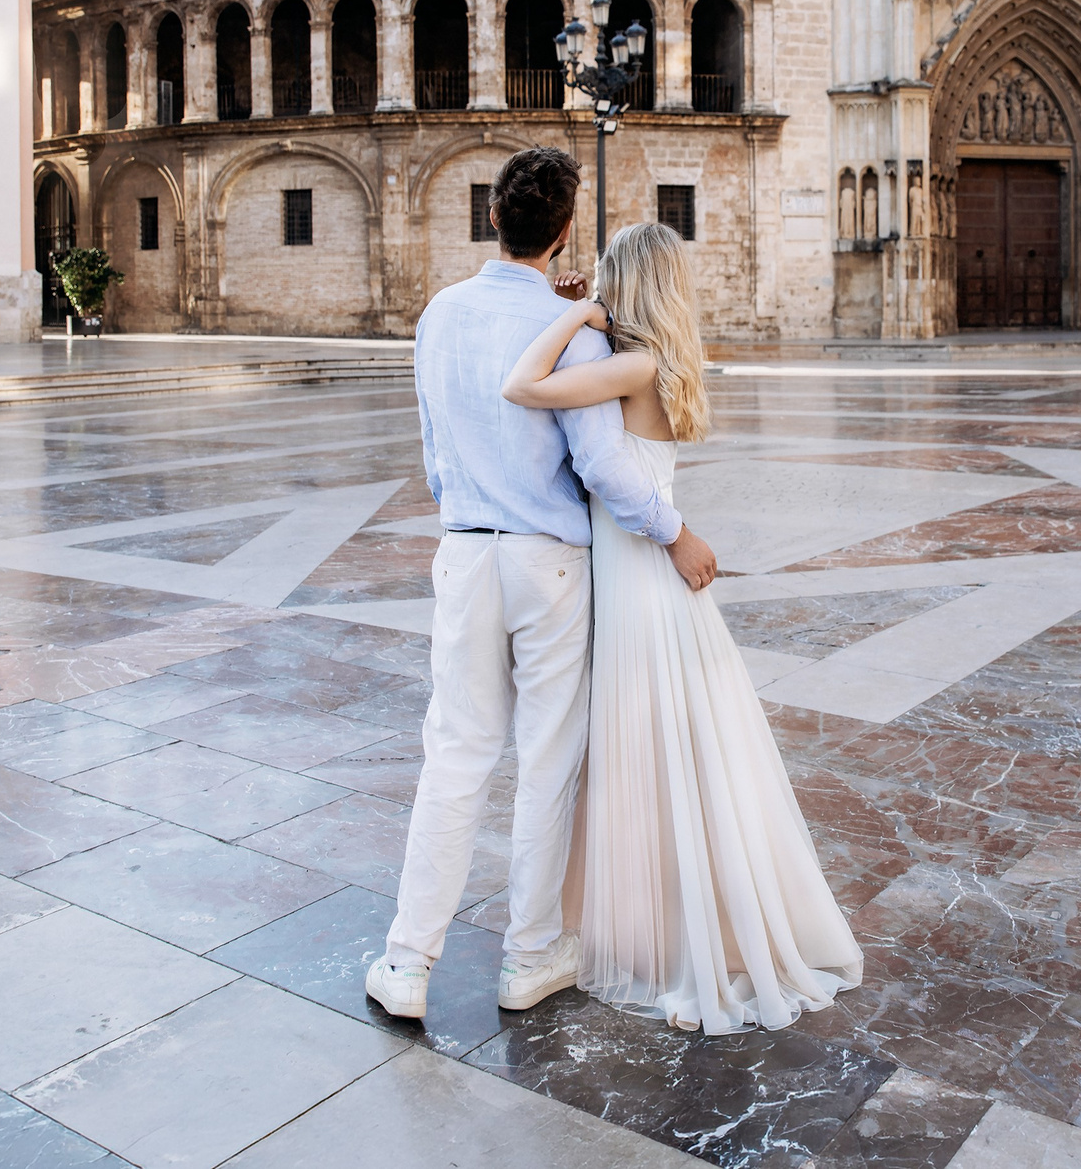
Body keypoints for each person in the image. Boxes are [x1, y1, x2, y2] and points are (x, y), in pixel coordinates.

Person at [368, 150, 721, 1023]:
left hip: (465, 551)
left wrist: (469, 511)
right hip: (550, 563)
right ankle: (528, 958)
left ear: (495, 218)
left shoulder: (439, 315)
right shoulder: (580, 329)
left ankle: (407, 963)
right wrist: (674, 532)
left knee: (454, 753)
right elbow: (600, 461)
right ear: (566, 232)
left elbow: (431, 447)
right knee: (547, 759)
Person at [502, 221, 863, 1034]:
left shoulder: (628, 363)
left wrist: (572, 315)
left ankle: (674, 933)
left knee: (651, 745)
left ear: (621, 283)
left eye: (603, 276)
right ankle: (689, 920)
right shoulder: (665, 361)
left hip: (637, 573)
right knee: (688, 746)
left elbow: (524, 386)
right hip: (651, 572)